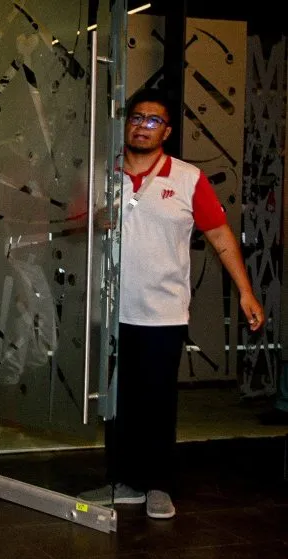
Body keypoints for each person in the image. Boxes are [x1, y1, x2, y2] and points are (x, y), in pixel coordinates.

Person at [78, 87, 265, 519]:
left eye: (152, 121)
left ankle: (158, 485)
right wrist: (92, 221)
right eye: (136, 118)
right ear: (125, 123)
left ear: (166, 130)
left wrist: (246, 291)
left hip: (162, 312)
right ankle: (123, 481)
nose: (142, 126)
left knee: (157, 401)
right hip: (111, 312)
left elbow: (219, 236)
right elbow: (72, 230)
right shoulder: (104, 174)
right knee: (117, 402)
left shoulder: (187, 178)